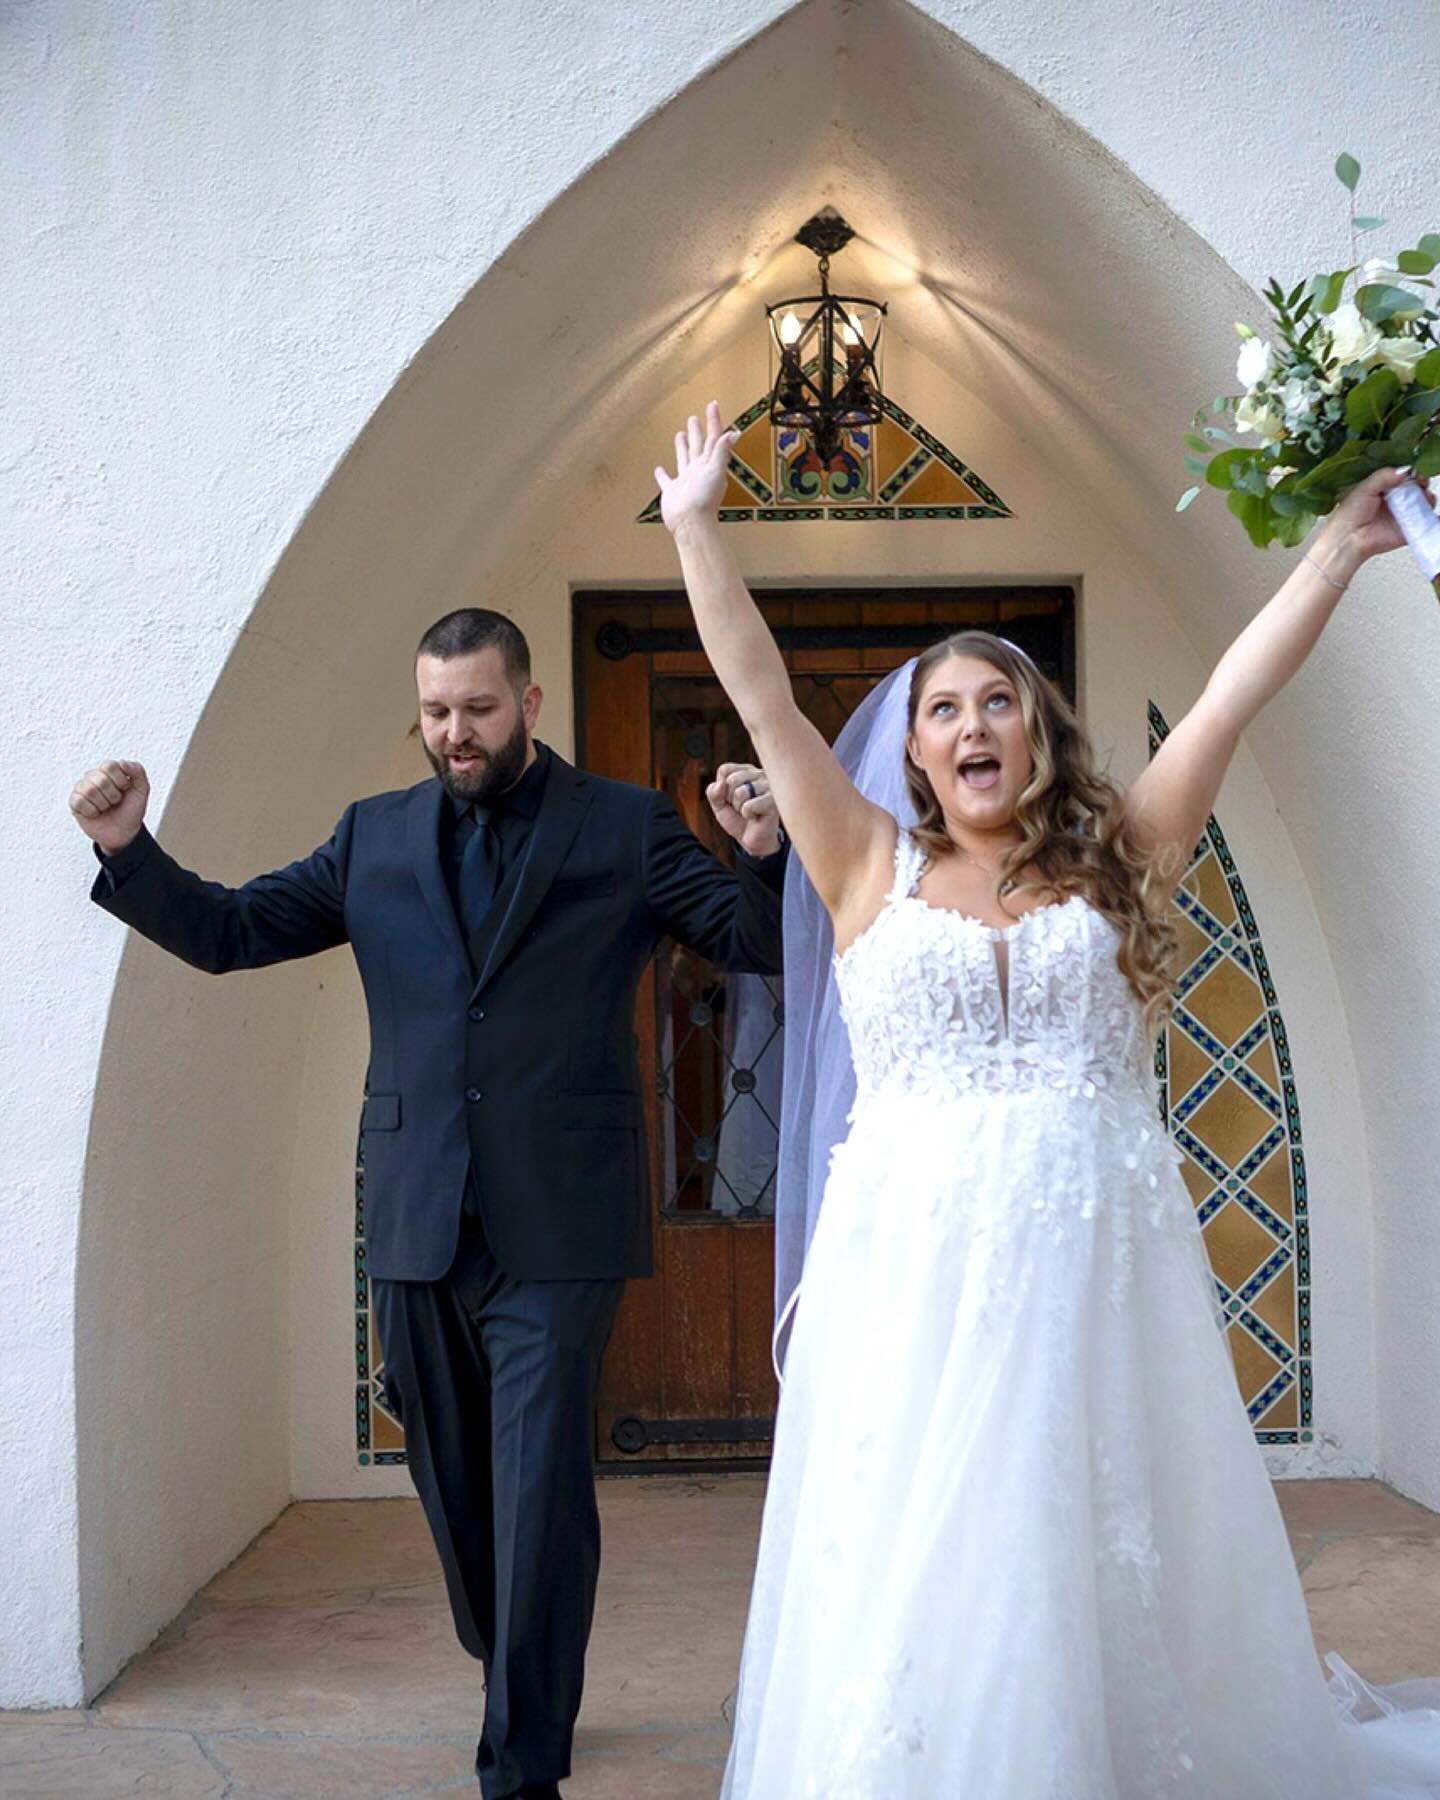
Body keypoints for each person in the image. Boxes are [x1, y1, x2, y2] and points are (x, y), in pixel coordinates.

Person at [656, 403, 1440, 1797]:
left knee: (1088, 1535)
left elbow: (1223, 703)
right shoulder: (856, 865)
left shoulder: (1119, 852)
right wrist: (697, 526)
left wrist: (1337, 552)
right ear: (910, 753)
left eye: (997, 701)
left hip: (1096, 1277)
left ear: (1035, 732)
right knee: (931, 1551)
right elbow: (765, 694)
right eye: (944, 708)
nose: (972, 725)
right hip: (915, 1289)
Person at [69, 606, 787, 1800]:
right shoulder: (372, 837)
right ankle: (511, 1651)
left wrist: (761, 850)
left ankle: (522, 1761)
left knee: (540, 1483)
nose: (456, 734)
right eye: (438, 713)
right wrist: (128, 847)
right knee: (459, 1496)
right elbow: (235, 930)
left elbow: (753, 942)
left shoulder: (622, 825)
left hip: (563, 1220)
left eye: (479, 710)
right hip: (415, 1215)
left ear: (530, 705)